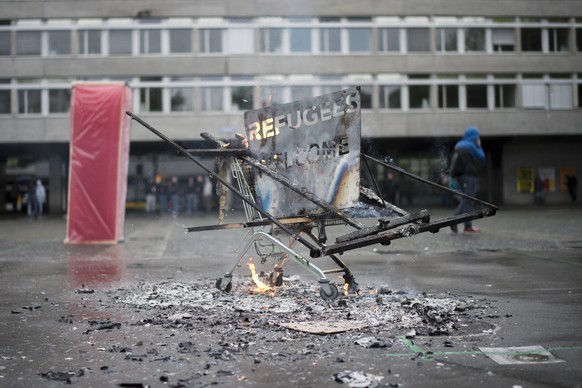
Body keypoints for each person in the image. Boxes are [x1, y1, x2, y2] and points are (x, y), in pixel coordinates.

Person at [450, 127, 485, 234]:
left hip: (460, 176)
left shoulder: (459, 144)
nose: (478, 138)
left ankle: (467, 226)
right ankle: (455, 220)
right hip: (468, 175)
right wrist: (479, 145)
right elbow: (482, 157)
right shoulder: (470, 145)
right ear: (474, 136)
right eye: (477, 136)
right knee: (468, 199)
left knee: (467, 199)